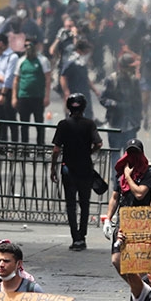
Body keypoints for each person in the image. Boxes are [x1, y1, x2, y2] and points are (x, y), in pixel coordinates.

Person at [51, 93, 102, 251]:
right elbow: (99, 143)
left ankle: (75, 238)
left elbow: (56, 149)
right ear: (84, 107)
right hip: (85, 169)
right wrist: (89, 152)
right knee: (85, 204)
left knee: (71, 205)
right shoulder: (89, 124)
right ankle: (82, 236)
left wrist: (53, 167)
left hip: (68, 170)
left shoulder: (63, 124)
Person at [105, 138, 151, 266]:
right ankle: (136, 281)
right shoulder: (120, 174)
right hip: (122, 223)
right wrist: (108, 219)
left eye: (136, 153)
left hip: (140, 223)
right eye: (131, 153)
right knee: (117, 260)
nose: (133, 156)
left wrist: (128, 176)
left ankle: (141, 280)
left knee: (138, 262)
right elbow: (115, 197)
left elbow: (139, 194)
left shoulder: (148, 173)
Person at [11, 36, 51, 145]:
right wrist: (14, 97)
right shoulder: (21, 61)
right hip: (23, 96)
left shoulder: (43, 60)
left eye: (30, 45)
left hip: (38, 97)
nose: (28, 48)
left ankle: (40, 147)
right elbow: (16, 80)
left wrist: (47, 96)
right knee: (24, 124)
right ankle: (25, 148)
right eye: (26, 46)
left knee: (39, 123)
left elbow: (48, 79)